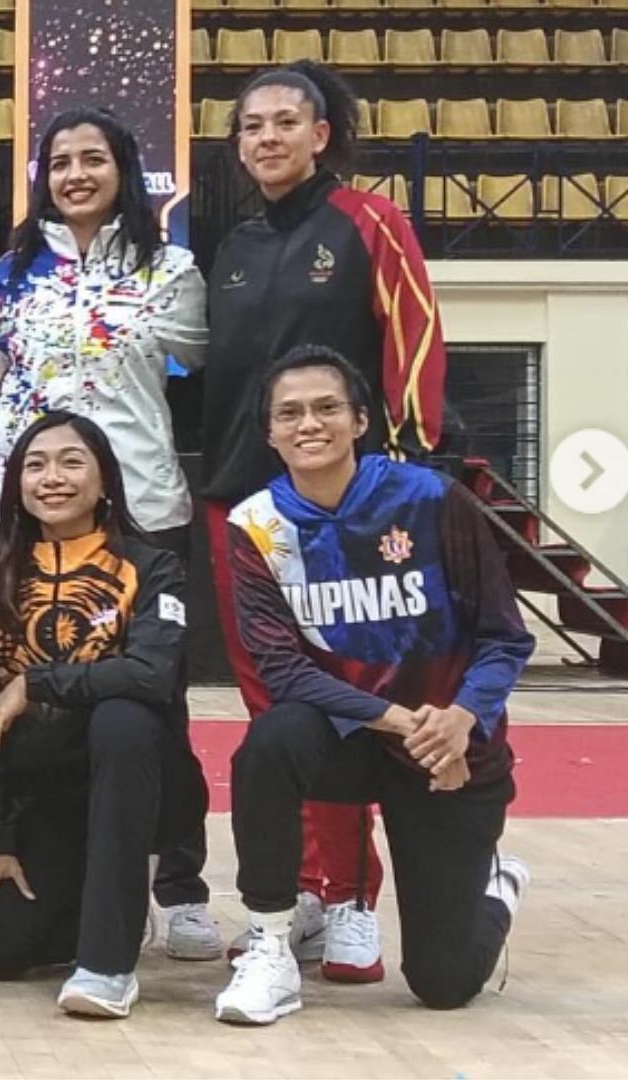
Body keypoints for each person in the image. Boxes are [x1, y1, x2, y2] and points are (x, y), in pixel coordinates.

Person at [205, 60, 449, 979]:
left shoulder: (370, 223)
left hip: (345, 507)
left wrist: (410, 464)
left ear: (322, 133)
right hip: (240, 500)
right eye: (250, 126)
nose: (265, 138)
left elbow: (416, 338)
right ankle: (308, 886)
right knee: (276, 709)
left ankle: (352, 899)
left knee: (347, 699)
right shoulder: (229, 248)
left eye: (283, 122)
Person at [213, 347, 531, 1025]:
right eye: (289, 413)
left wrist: (463, 718)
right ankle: (269, 945)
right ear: (268, 432)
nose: (309, 424)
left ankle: (497, 889)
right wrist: (401, 720)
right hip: (361, 738)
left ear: (360, 420)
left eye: (327, 407)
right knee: (269, 743)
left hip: (450, 753)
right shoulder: (257, 527)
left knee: (441, 985)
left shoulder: (434, 501)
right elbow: (285, 671)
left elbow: (506, 638)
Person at [0, 106, 218, 959]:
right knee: (11, 694)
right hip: (25, 509)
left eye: (94, 159)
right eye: (60, 161)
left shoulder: (171, 267)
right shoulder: (11, 273)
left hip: (141, 506)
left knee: (152, 703)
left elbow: (202, 353)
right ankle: (31, 848)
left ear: (125, 169)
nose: (75, 174)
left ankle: (180, 880)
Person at [0, 412, 195, 1020]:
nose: (51, 477)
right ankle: (102, 906)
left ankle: (109, 966)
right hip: (48, 801)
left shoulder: (153, 566)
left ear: (105, 480)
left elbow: (151, 673)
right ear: (15, 485)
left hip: (144, 783)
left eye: (71, 461)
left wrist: (36, 682)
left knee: (122, 715)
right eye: (35, 465)